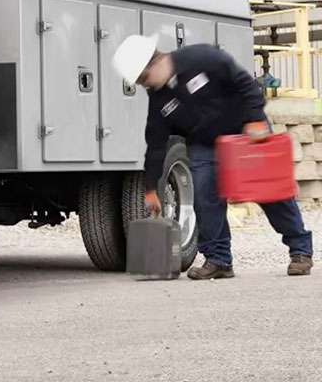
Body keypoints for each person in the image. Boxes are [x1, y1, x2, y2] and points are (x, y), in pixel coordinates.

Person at [113, 34, 313, 279]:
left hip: (246, 131)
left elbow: (244, 83)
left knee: (269, 192)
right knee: (205, 197)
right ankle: (218, 260)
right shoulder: (159, 97)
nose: (146, 85)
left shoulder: (201, 57)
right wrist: (151, 187)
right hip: (205, 143)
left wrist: (256, 119)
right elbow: (155, 144)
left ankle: (300, 251)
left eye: (144, 78)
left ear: (156, 62)